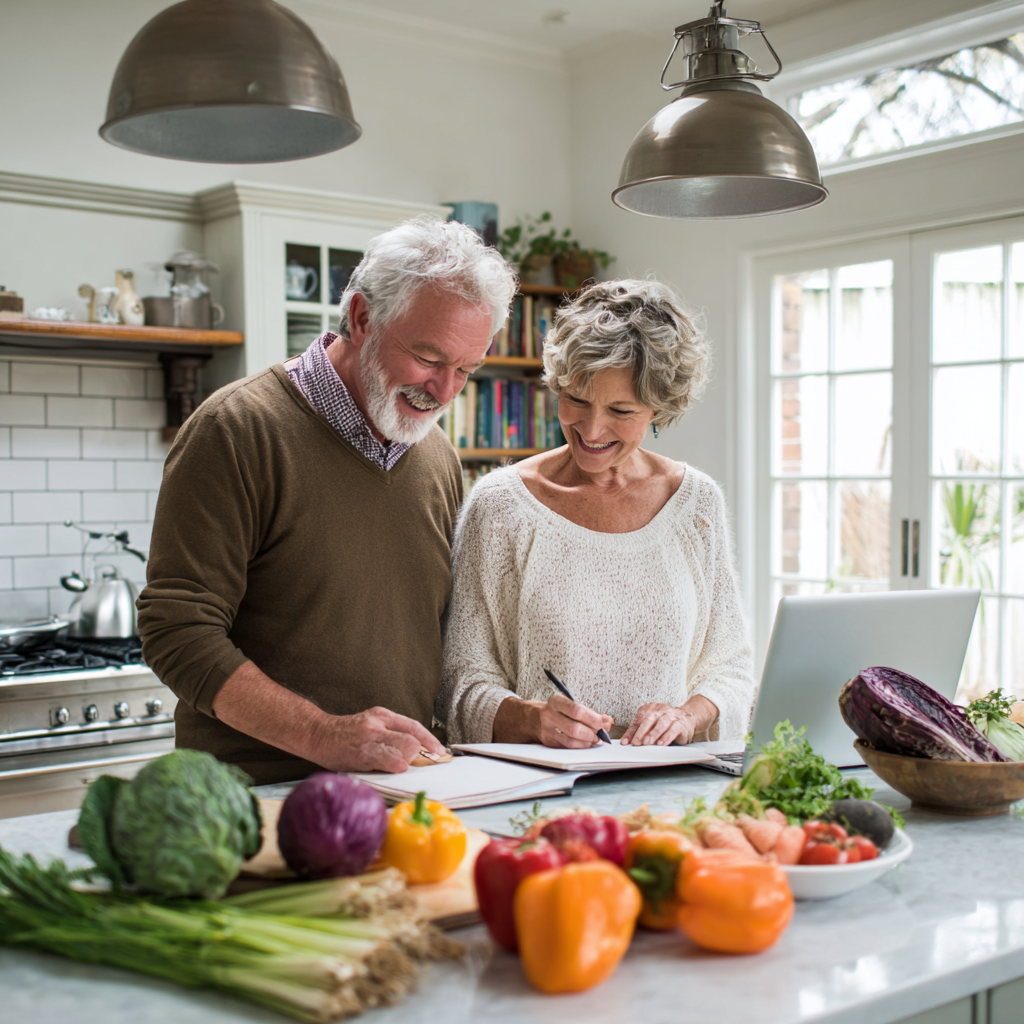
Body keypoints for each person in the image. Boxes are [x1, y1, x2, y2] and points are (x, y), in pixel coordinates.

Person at [138, 217, 517, 784]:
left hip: (407, 789)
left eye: (466, 369)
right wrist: (323, 735)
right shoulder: (235, 429)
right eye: (430, 358)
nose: (445, 391)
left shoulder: (438, 457)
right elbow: (177, 630)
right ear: (362, 318)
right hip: (259, 796)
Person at [438, 279, 755, 750]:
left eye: (621, 410)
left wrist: (687, 717)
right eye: (577, 400)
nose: (591, 428)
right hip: (539, 791)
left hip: (670, 787)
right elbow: (460, 685)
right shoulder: (501, 506)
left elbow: (731, 670)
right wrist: (532, 720)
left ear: (659, 409)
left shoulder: (696, 504)